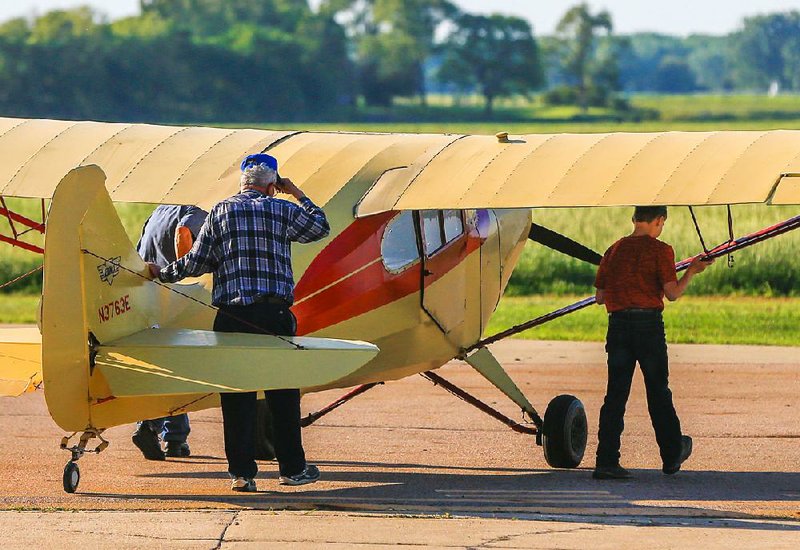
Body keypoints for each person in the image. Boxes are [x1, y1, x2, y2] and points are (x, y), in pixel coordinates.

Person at [147, 153, 330, 492]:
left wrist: (163, 274)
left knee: (237, 398)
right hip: (274, 315)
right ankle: (292, 469)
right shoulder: (283, 210)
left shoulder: (221, 211)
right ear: (272, 186)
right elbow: (320, 226)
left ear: (242, 183)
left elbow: (197, 261)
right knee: (283, 395)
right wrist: (298, 195)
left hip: (232, 316)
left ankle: (241, 474)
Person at [592, 206, 714, 480]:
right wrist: (692, 271)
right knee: (658, 391)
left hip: (618, 327)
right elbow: (672, 293)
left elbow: (600, 296)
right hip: (648, 328)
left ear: (634, 220)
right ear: (659, 221)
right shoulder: (661, 250)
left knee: (615, 395)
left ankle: (606, 460)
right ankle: (671, 453)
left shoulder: (613, 250)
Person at [132, 204, 208, 461]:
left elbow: (137, 254)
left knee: (157, 369)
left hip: (145, 300)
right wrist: (187, 271)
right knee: (177, 370)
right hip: (172, 299)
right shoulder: (193, 210)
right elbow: (185, 231)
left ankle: (154, 427)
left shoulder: (156, 213)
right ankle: (171, 437)